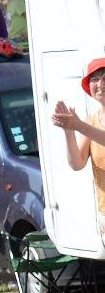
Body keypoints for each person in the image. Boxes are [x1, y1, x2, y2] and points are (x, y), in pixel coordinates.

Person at [51, 57, 105, 227]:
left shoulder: (85, 125)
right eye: (95, 79)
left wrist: (79, 126)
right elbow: (77, 163)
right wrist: (69, 130)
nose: (100, 83)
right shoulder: (91, 121)